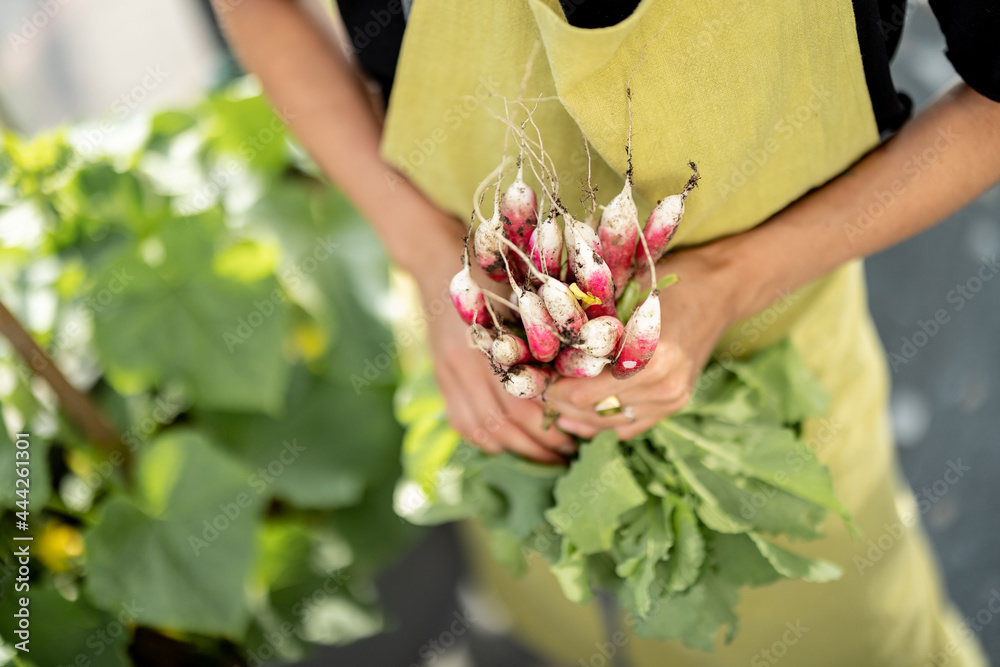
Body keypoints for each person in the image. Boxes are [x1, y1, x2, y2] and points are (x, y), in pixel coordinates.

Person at [213, 0, 999, 664]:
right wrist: (425, 252)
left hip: (777, 369)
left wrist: (734, 277)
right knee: (550, 606)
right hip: (484, 362)